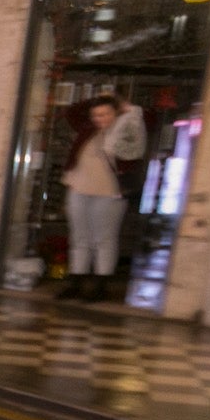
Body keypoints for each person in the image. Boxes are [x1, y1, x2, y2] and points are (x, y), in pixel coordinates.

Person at [57, 93, 145, 302]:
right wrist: (98, 98)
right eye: (96, 115)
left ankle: (100, 286)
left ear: (116, 113)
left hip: (110, 192)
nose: (100, 119)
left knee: (104, 239)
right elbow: (72, 112)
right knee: (79, 237)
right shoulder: (87, 129)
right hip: (78, 188)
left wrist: (125, 107)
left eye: (105, 114)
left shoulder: (126, 132)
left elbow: (143, 123)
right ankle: (75, 283)